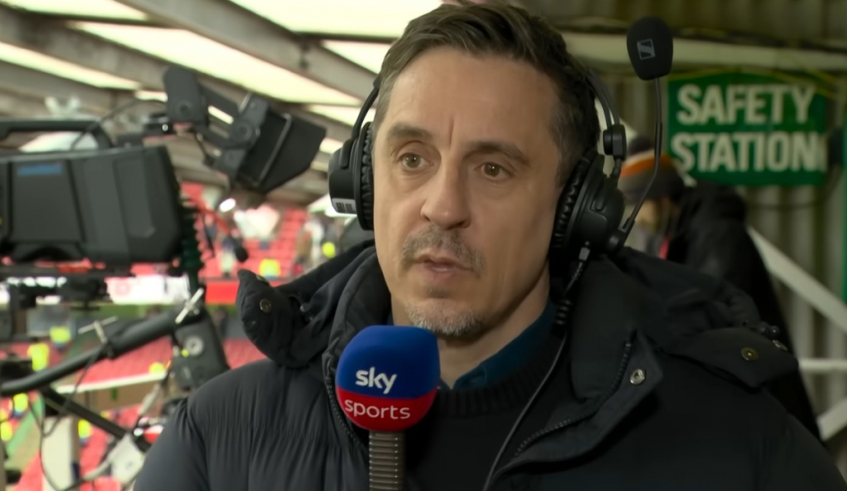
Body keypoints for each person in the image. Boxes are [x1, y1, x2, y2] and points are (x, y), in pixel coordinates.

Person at [135, 3, 846, 490]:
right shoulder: (218, 440)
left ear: (575, 209)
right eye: (412, 158)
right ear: (363, 178)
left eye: (494, 168)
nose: (443, 205)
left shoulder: (740, 448)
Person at [620, 136, 821, 439]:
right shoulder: (671, 237)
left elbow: (712, 316)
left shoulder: (717, 234)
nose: (637, 218)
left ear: (659, 194)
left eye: (639, 203)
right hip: (734, 395)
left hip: (760, 392)